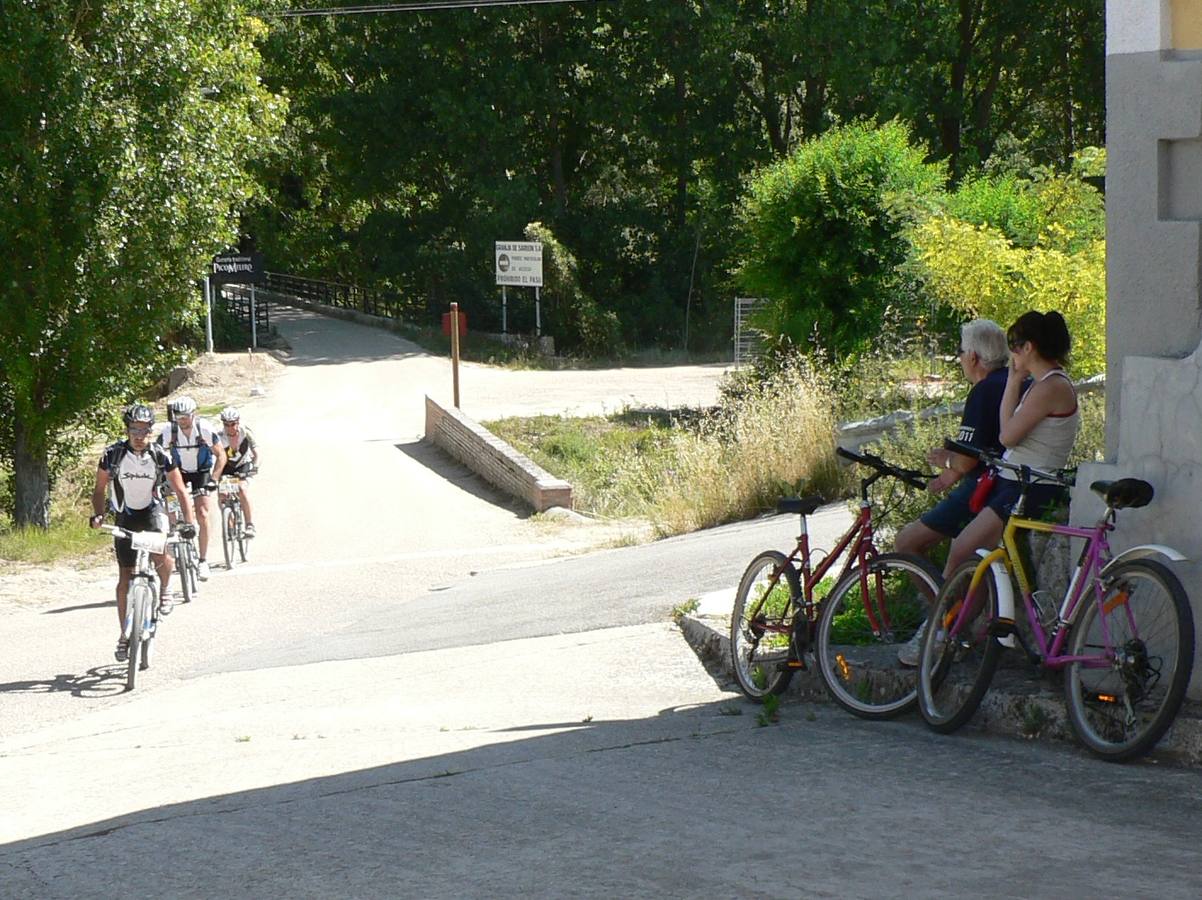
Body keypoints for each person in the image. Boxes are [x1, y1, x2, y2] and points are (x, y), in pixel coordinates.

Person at [895, 318, 1011, 666]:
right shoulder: (1016, 381)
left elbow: (965, 462)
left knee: (907, 542)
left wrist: (948, 466)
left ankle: (939, 625)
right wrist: (953, 465)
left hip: (986, 486)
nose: (959, 359)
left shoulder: (985, 389)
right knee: (969, 556)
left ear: (974, 357)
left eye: (960, 352)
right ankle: (953, 624)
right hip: (1006, 484)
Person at [941, 310, 1080, 578]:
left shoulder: (1050, 387)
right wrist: (1013, 381)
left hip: (1030, 485)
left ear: (1029, 347)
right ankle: (969, 617)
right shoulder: (1040, 385)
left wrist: (1014, 383)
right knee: (977, 560)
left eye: (1014, 346)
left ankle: (942, 617)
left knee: (962, 550)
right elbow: (1008, 429)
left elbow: (1007, 437)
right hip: (1016, 480)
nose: (1011, 355)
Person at [90, 404, 197, 662]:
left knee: (161, 553)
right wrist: (98, 514)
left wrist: (189, 522)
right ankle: (124, 636)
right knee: (125, 577)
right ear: (127, 430)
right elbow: (99, 488)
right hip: (125, 515)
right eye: (134, 429)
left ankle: (165, 589)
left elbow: (180, 490)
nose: (139, 435)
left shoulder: (161, 455)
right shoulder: (112, 454)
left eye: (145, 430)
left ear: (151, 431)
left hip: (151, 512)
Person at [157, 395, 227, 580]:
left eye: (186, 417)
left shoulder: (203, 428)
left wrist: (214, 478)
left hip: (201, 471)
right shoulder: (168, 431)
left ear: (193, 414)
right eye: (179, 417)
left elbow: (221, 455)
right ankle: (176, 540)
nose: (182, 421)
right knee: (171, 507)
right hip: (178, 471)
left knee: (203, 513)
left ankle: (202, 561)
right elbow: (156, 455)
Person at [215, 406, 259, 536]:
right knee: (222, 494)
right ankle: (229, 522)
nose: (230, 427)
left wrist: (255, 466)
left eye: (233, 424)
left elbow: (257, 452)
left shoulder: (245, 432)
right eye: (226, 424)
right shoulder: (219, 436)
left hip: (243, 465)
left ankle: (249, 524)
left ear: (238, 422)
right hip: (226, 467)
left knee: (241, 489)